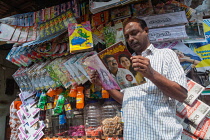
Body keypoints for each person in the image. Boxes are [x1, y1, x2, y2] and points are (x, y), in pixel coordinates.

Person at [91, 18, 188, 140]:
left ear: (146, 31)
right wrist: (105, 84)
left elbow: (182, 95)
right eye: (127, 36)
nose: (130, 39)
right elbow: (125, 100)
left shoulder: (165, 55)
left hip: (162, 135)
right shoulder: (126, 62)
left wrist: (151, 74)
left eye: (134, 33)